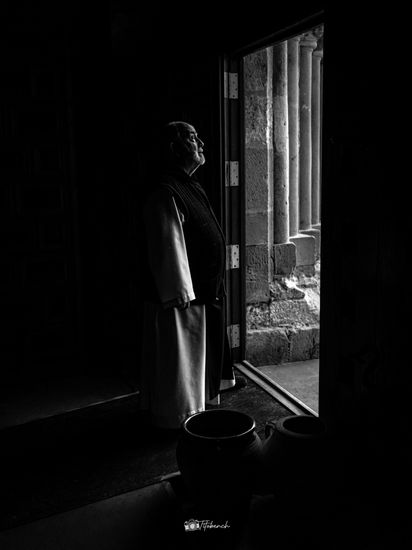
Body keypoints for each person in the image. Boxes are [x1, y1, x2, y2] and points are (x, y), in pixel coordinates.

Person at [140, 121, 236, 429]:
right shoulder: (165, 191)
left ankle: (197, 408)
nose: (202, 144)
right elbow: (168, 245)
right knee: (181, 362)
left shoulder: (187, 184)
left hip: (202, 291)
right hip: (183, 299)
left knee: (196, 359)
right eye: (194, 138)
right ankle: (179, 417)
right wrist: (180, 294)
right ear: (175, 148)